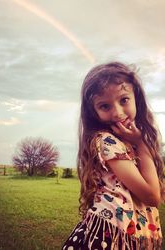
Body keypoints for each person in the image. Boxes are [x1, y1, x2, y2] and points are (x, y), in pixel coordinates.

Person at [62, 62, 164, 250]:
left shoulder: (128, 140)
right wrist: (141, 143)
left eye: (123, 100)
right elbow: (151, 196)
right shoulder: (107, 141)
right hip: (110, 238)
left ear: (136, 99)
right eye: (105, 106)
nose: (117, 113)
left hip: (130, 235)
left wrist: (138, 142)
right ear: (94, 113)